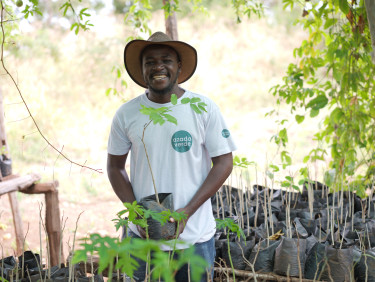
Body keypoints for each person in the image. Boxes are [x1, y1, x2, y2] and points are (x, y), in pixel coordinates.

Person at [107, 31, 237, 281]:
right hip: (142, 240)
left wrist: (186, 212)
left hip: (194, 239)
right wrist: (135, 212)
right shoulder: (127, 114)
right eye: (150, 62)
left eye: (166, 59)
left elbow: (223, 162)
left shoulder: (203, 108)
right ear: (142, 69)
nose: (158, 67)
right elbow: (115, 168)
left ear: (179, 66)